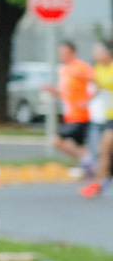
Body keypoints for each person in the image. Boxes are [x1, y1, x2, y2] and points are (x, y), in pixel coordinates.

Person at [43, 41, 95, 174]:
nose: (61, 55)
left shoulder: (80, 67)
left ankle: (87, 160)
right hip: (70, 114)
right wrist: (52, 91)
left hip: (81, 114)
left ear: (72, 53)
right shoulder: (64, 70)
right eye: (60, 53)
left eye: (64, 53)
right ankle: (88, 165)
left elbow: (97, 82)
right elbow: (64, 93)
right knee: (78, 145)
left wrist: (87, 100)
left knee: (56, 140)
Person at [80, 41, 113, 198]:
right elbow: (100, 87)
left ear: (108, 53)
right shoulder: (99, 69)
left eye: (98, 52)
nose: (95, 55)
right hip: (110, 116)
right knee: (103, 150)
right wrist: (87, 101)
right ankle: (100, 183)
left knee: (105, 148)